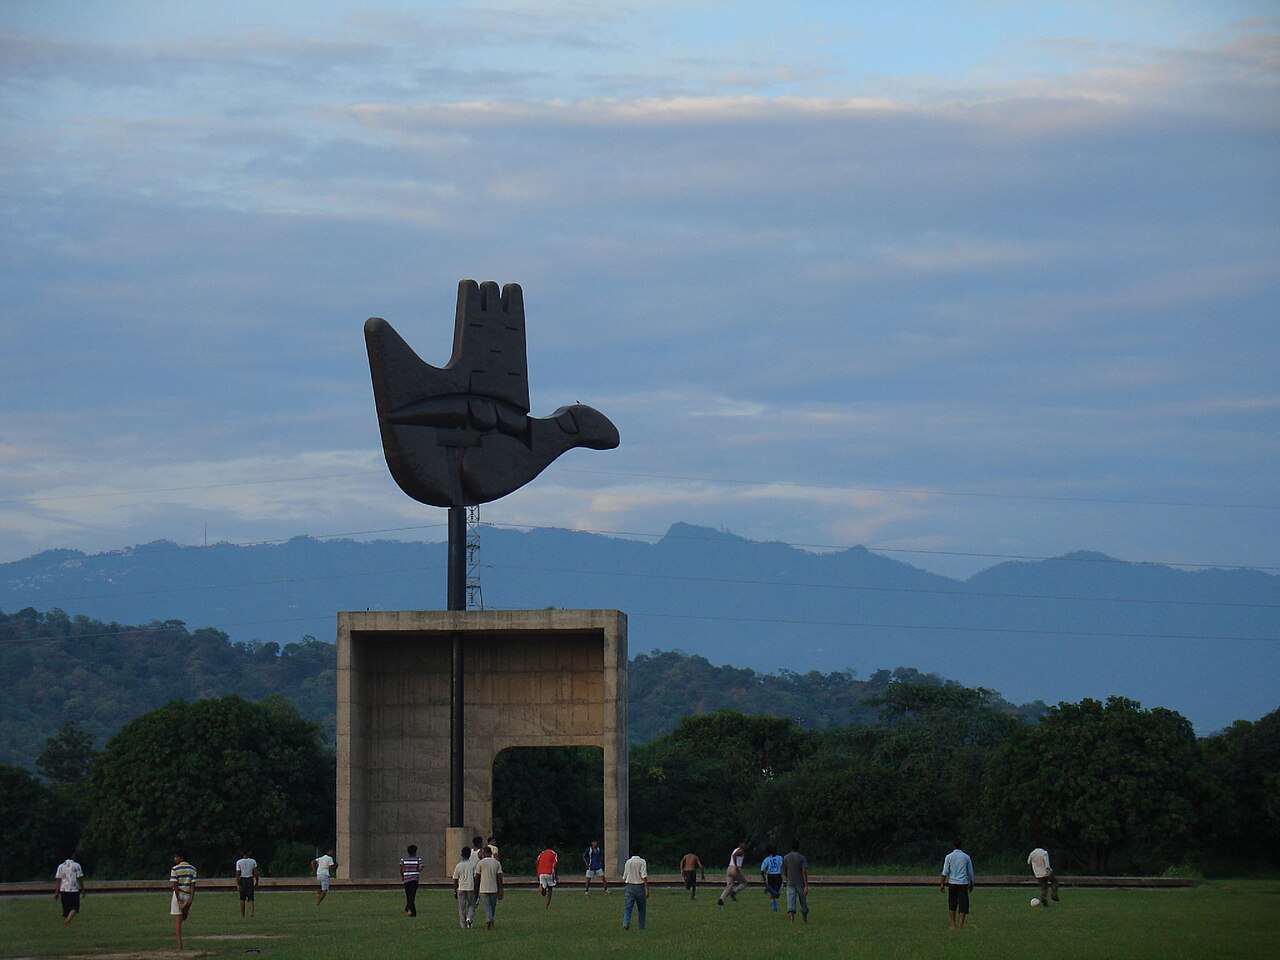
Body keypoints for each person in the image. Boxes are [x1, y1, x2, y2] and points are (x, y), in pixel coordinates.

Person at [939, 841, 975, 929]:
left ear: (953, 846)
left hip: (952, 883)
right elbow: (970, 872)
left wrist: (942, 884)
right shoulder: (966, 857)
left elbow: (945, 872)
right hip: (962, 883)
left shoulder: (949, 857)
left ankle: (952, 924)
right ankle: (960, 924)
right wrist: (971, 883)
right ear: (962, 846)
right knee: (963, 904)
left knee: (952, 903)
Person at [169, 852, 197, 950]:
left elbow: (175, 886)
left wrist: (179, 900)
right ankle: (184, 908)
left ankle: (179, 946)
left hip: (179, 894)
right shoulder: (192, 869)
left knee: (178, 921)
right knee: (183, 917)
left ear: (181, 858)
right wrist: (190, 900)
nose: (174, 859)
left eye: (176, 857)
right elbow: (193, 886)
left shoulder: (175, 869)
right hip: (188, 894)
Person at [475, 846, 504, 930]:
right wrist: (501, 890)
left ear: (484, 853)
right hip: (493, 888)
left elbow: (477, 877)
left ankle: (489, 921)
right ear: (491, 853)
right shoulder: (496, 863)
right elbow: (499, 877)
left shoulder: (480, 863)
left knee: (487, 907)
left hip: (483, 888)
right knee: (492, 907)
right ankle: (490, 922)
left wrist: (475, 889)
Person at [781, 839, 809, 924]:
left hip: (790, 882)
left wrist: (787, 877)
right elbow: (804, 871)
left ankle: (792, 921)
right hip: (800, 882)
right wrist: (806, 885)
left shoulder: (786, 857)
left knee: (791, 901)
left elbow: (784, 871)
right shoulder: (802, 858)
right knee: (803, 902)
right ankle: (804, 919)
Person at [621, 846, 648, 931]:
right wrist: (647, 888)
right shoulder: (642, 862)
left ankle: (626, 923)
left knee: (628, 907)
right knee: (641, 908)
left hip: (629, 886)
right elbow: (644, 875)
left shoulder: (628, 862)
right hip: (639, 886)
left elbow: (624, 876)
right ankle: (641, 926)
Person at [53, 855, 85, 925]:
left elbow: (58, 880)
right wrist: (82, 889)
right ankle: (68, 920)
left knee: (66, 909)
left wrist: (56, 892)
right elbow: (79, 878)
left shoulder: (60, 866)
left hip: (63, 889)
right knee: (75, 907)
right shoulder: (77, 865)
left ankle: (67, 923)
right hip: (73, 889)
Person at [717, 839, 748, 906]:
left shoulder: (736, 849)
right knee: (744, 883)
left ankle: (721, 899)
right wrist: (736, 866)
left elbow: (733, 855)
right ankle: (734, 892)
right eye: (743, 844)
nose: (745, 845)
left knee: (729, 885)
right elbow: (734, 855)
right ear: (740, 844)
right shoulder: (740, 851)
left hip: (729, 867)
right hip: (735, 868)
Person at [452, 845, 476, 929]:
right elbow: (475, 877)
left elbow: (455, 879)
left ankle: (463, 925)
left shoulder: (458, 865)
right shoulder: (472, 865)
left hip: (461, 888)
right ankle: (469, 918)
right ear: (469, 854)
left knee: (462, 908)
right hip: (470, 887)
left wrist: (455, 890)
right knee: (471, 905)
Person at [233, 850, 259, 918]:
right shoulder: (253, 861)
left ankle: (242, 914)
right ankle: (251, 912)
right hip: (250, 879)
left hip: (242, 880)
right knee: (251, 898)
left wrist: (238, 884)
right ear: (249, 854)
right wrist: (257, 881)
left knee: (242, 898)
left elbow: (238, 873)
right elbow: (256, 872)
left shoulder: (239, 862)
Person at [399, 844, 422, 917]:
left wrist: (403, 876)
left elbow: (401, 868)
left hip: (406, 879)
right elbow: (420, 867)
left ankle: (411, 911)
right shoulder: (418, 859)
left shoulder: (403, 859)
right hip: (414, 879)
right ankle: (409, 908)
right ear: (415, 852)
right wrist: (416, 869)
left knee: (408, 895)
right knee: (412, 895)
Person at [760, 845, 783, 912]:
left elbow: (762, 869)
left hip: (770, 876)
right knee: (777, 893)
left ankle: (774, 908)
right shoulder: (780, 858)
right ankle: (770, 890)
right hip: (778, 876)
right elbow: (783, 865)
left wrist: (764, 877)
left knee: (772, 893)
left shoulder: (767, 859)